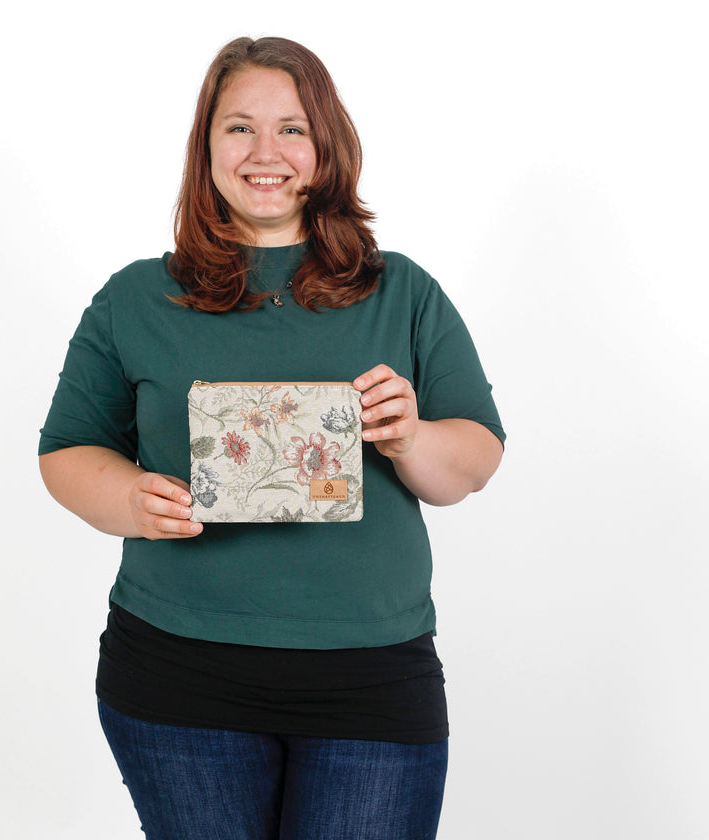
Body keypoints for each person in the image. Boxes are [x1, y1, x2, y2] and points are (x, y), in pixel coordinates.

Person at [39, 35, 504, 840]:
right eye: (239, 128)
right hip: (178, 675)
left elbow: (473, 462)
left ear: (327, 147)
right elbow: (66, 452)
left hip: (370, 676)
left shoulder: (402, 291)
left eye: (292, 128)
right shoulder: (135, 298)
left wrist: (408, 437)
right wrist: (129, 498)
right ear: (206, 146)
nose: (266, 152)